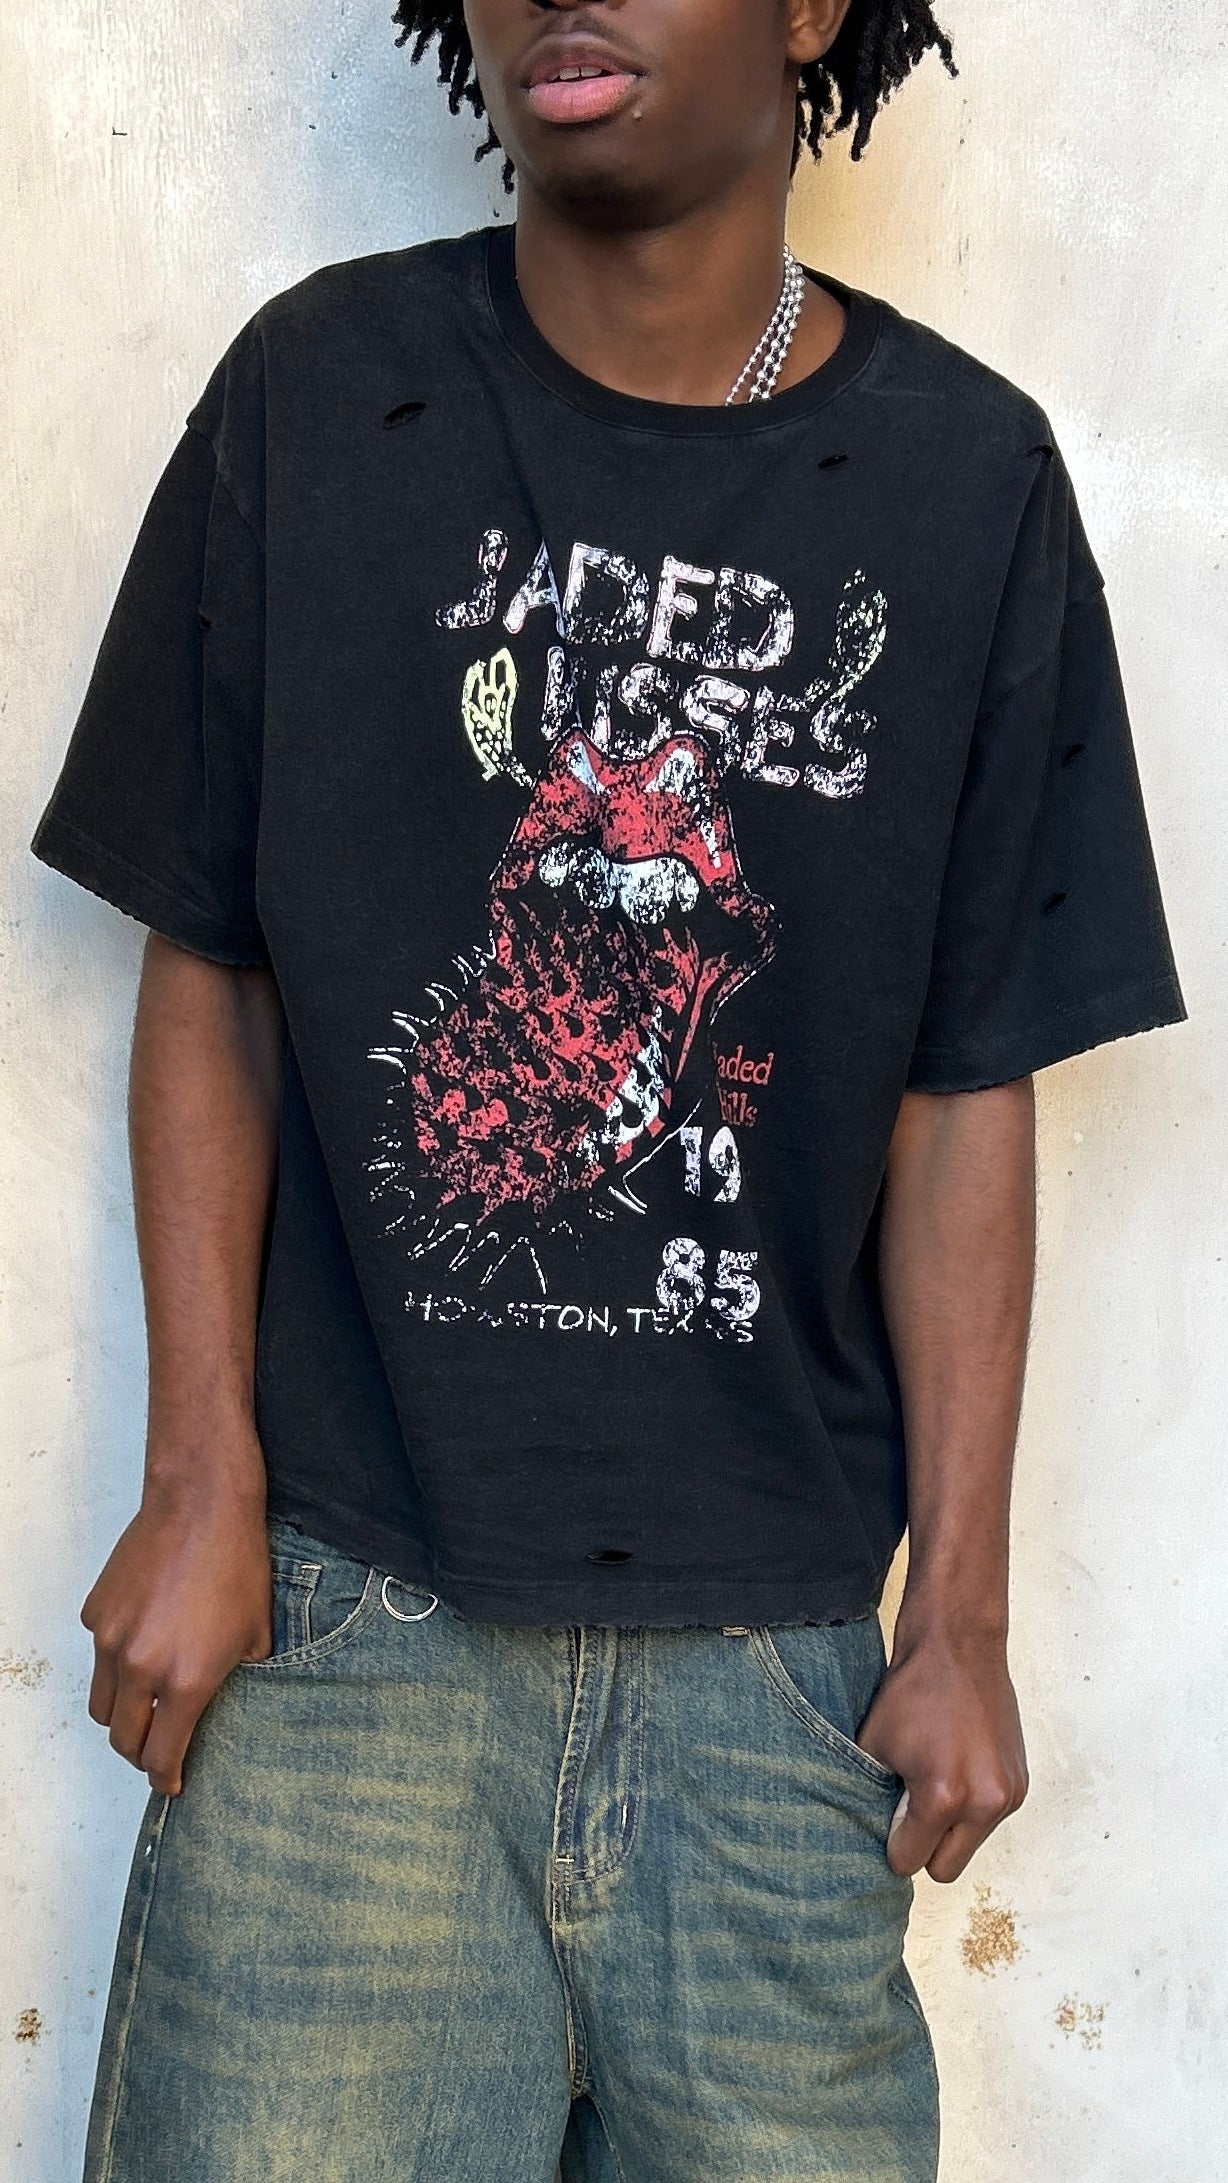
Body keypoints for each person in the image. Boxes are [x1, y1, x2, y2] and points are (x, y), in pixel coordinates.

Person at [32, 0, 1187, 2176]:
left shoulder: (968, 484)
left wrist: (956, 1616)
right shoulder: (321, 394)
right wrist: (197, 1481)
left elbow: (966, 1087)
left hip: (774, 1687)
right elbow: (215, 963)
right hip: (344, 1641)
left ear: (814, 8)